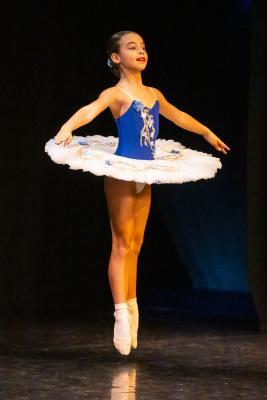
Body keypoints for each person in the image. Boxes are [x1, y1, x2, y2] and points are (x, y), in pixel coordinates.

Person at [45, 30, 230, 356]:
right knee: (121, 243)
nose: (141, 51)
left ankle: (132, 306)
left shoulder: (153, 92)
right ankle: (120, 313)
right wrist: (67, 127)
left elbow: (177, 115)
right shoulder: (116, 93)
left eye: (143, 46)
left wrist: (206, 132)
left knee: (136, 244)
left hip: (147, 171)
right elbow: (91, 109)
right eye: (132, 47)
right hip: (122, 171)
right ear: (116, 58)